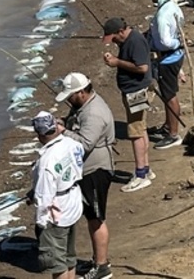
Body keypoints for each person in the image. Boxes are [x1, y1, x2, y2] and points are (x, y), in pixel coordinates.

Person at [56, 73, 115, 279]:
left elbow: (84, 144)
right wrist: (66, 122)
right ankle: (97, 260)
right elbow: (79, 127)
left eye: (70, 96)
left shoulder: (94, 113)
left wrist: (62, 132)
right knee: (91, 216)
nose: (68, 100)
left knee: (96, 218)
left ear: (81, 92)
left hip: (95, 171)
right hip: (87, 170)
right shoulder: (83, 107)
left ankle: (102, 267)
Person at [28, 111, 84, 279]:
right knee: (69, 257)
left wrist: (41, 223)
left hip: (56, 213)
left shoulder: (47, 161)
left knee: (57, 264)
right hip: (73, 200)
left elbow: (44, 198)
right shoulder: (71, 143)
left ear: (39, 134)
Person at [102, 17, 155, 192]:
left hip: (137, 92)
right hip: (133, 90)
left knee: (135, 133)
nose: (114, 42)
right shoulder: (128, 41)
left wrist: (117, 62)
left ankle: (140, 175)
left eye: (114, 38)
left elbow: (142, 68)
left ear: (121, 31)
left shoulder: (136, 41)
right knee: (140, 129)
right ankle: (146, 169)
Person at [148, 0, 186, 150]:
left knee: (169, 96)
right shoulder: (172, 7)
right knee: (168, 93)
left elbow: (165, 41)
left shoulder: (163, 15)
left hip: (168, 58)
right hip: (175, 56)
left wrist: (175, 43)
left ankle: (173, 134)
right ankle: (167, 126)